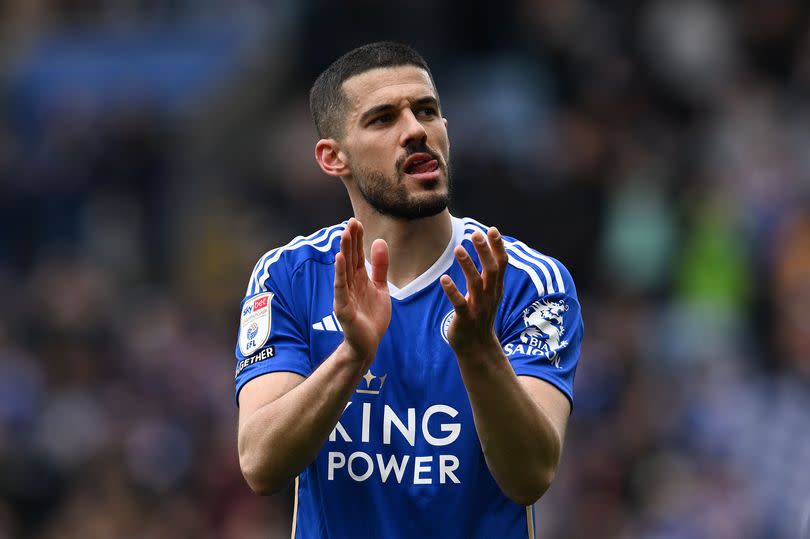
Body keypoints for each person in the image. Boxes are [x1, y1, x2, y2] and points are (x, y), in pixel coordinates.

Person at [234, 41, 584, 538]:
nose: (416, 130)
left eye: (427, 111)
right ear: (334, 157)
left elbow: (530, 477)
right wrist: (352, 356)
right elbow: (260, 463)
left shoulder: (523, 280)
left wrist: (479, 351)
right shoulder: (290, 276)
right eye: (383, 119)